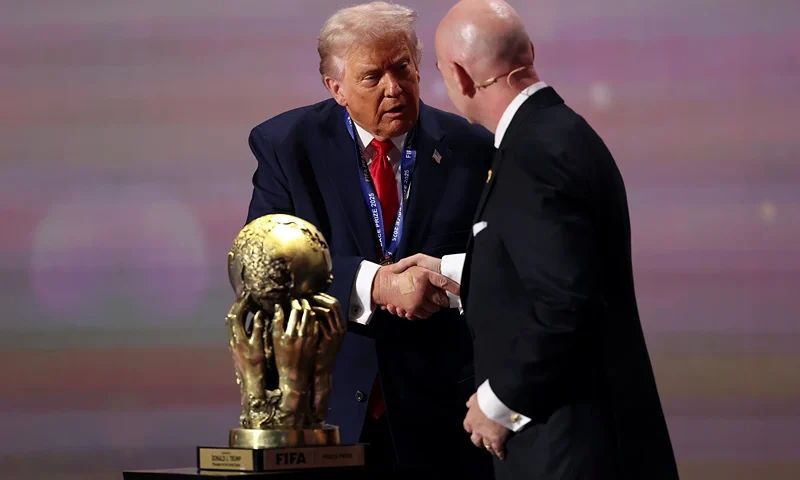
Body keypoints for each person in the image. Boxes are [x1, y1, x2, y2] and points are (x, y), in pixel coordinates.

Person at [390, 0, 680, 478]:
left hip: (569, 451)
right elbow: (560, 265)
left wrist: (499, 400)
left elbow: (567, 303)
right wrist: (455, 271)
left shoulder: (533, 152)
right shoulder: (558, 131)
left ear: (461, 77)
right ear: (529, 52)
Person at [244, 2, 495, 476]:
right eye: (372, 76)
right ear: (334, 88)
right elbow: (266, 264)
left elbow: (500, 259)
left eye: (403, 68)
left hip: (444, 417)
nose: (393, 88)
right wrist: (375, 285)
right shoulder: (287, 145)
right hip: (329, 410)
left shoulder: (470, 148)